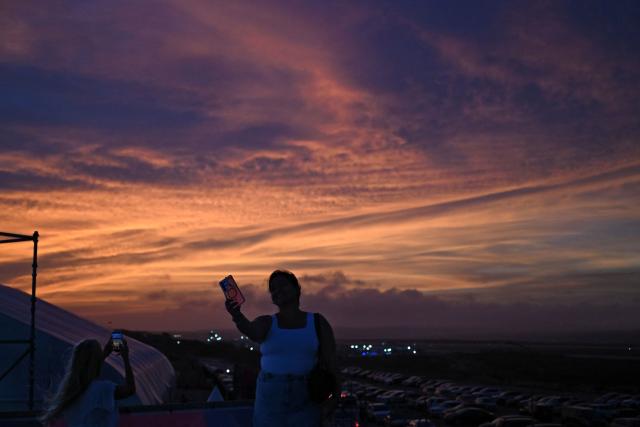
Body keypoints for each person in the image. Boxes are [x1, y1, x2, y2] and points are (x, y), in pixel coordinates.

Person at [225, 269, 339, 427]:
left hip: (306, 397)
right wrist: (237, 315)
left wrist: (335, 398)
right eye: (273, 289)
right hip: (271, 399)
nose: (277, 291)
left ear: (297, 289)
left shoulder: (318, 322)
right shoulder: (267, 323)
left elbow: (332, 362)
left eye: (282, 285)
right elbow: (251, 331)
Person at [40, 337, 136, 427]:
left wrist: (105, 353)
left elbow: (89, 375)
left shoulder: (70, 391)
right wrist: (125, 358)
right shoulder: (102, 389)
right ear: (96, 361)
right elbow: (130, 389)